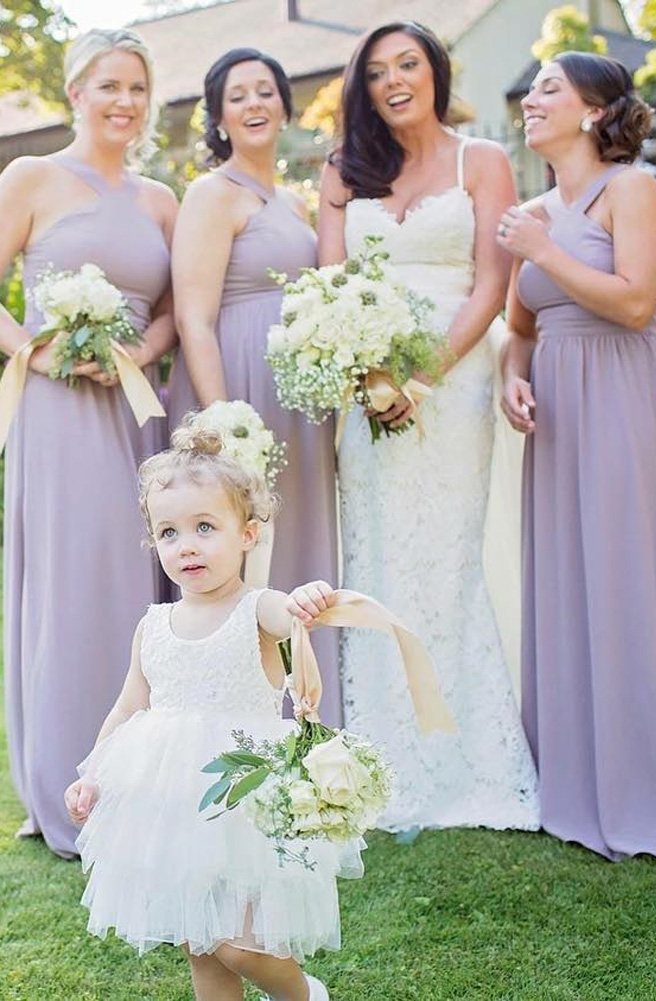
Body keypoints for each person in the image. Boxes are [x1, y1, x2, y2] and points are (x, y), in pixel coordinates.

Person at [318, 20, 538, 832]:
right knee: (377, 550)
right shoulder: (342, 169)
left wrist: (420, 377)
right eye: (377, 72)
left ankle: (464, 750)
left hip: (455, 382)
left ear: (435, 73)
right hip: (365, 384)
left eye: (407, 64)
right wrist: (368, 373)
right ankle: (380, 750)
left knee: (447, 554)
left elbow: (490, 284)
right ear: (363, 89)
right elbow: (330, 281)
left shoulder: (481, 160)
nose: (394, 81)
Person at [64, 411, 361, 1001]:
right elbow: (128, 707)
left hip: (243, 798)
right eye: (169, 533)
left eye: (205, 527)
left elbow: (290, 615)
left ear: (247, 534)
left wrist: (304, 599)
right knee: (201, 942)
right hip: (172, 801)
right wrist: (93, 772)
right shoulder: (153, 625)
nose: (187, 546)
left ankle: (303, 995)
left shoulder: (258, 609)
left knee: (240, 944)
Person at [0, 28, 177, 858]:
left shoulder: (161, 200)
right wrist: (37, 353)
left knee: (142, 579)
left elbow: (176, 308)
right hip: (58, 408)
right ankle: (65, 781)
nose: (124, 102)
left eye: (136, 88)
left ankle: (142, 775)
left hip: (138, 410)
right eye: (109, 85)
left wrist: (139, 352)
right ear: (76, 92)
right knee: (74, 581)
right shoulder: (31, 178)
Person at [499, 52, 656, 859]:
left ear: (594, 111)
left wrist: (542, 248)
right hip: (557, 417)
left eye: (548, 88)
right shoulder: (530, 214)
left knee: (627, 572)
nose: (531, 100)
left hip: (621, 397)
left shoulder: (630, 189)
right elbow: (519, 327)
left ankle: (641, 775)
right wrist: (511, 378)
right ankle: (573, 772)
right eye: (530, 89)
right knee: (567, 578)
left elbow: (636, 303)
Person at [168, 48, 340, 725]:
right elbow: (194, 315)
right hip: (240, 392)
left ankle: (303, 719)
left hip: (297, 403)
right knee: (240, 553)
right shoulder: (212, 194)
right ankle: (231, 723)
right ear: (217, 116)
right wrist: (222, 422)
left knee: (295, 549)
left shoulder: (294, 201)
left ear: (285, 106)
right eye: (237, 96)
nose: (254, 104)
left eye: (265, 91)